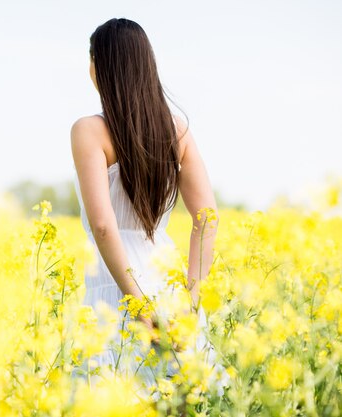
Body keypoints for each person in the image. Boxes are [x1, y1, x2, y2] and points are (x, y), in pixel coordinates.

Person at [70, 18, 220, 390]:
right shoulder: (178, 130)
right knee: (180, 397)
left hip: (115, 282)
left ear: (100, 65)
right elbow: (208, 218)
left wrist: (136, 306)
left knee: (112, 393)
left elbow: (104, 226)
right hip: (167, 280)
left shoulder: (88, 130)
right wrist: (191, 301)